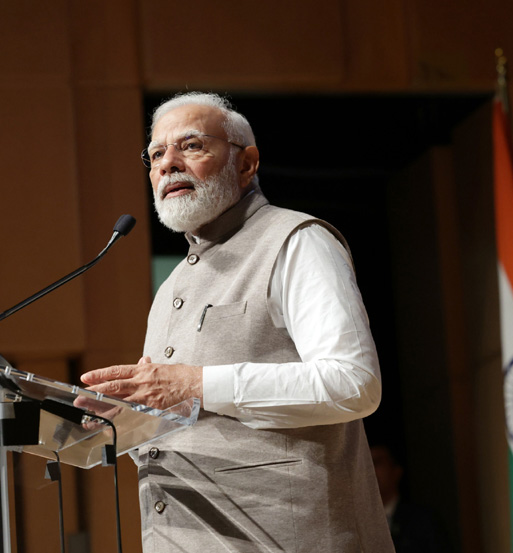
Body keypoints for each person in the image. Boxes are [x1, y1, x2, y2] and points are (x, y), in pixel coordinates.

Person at [80, 92, 395, 553]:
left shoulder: (298, 241)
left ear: (246, 163)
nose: (168, 164)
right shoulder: (170, 289)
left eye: (191, 146)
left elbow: (353, 383)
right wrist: (130, 422)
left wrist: (194, 384)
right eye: (156, 154)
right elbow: (193, 424)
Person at [370, 443, 450, 553]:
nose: (370, 470)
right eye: (364, 464)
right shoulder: (357, 523)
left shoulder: (422, 520)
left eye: (377, 462)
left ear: (396, 471)